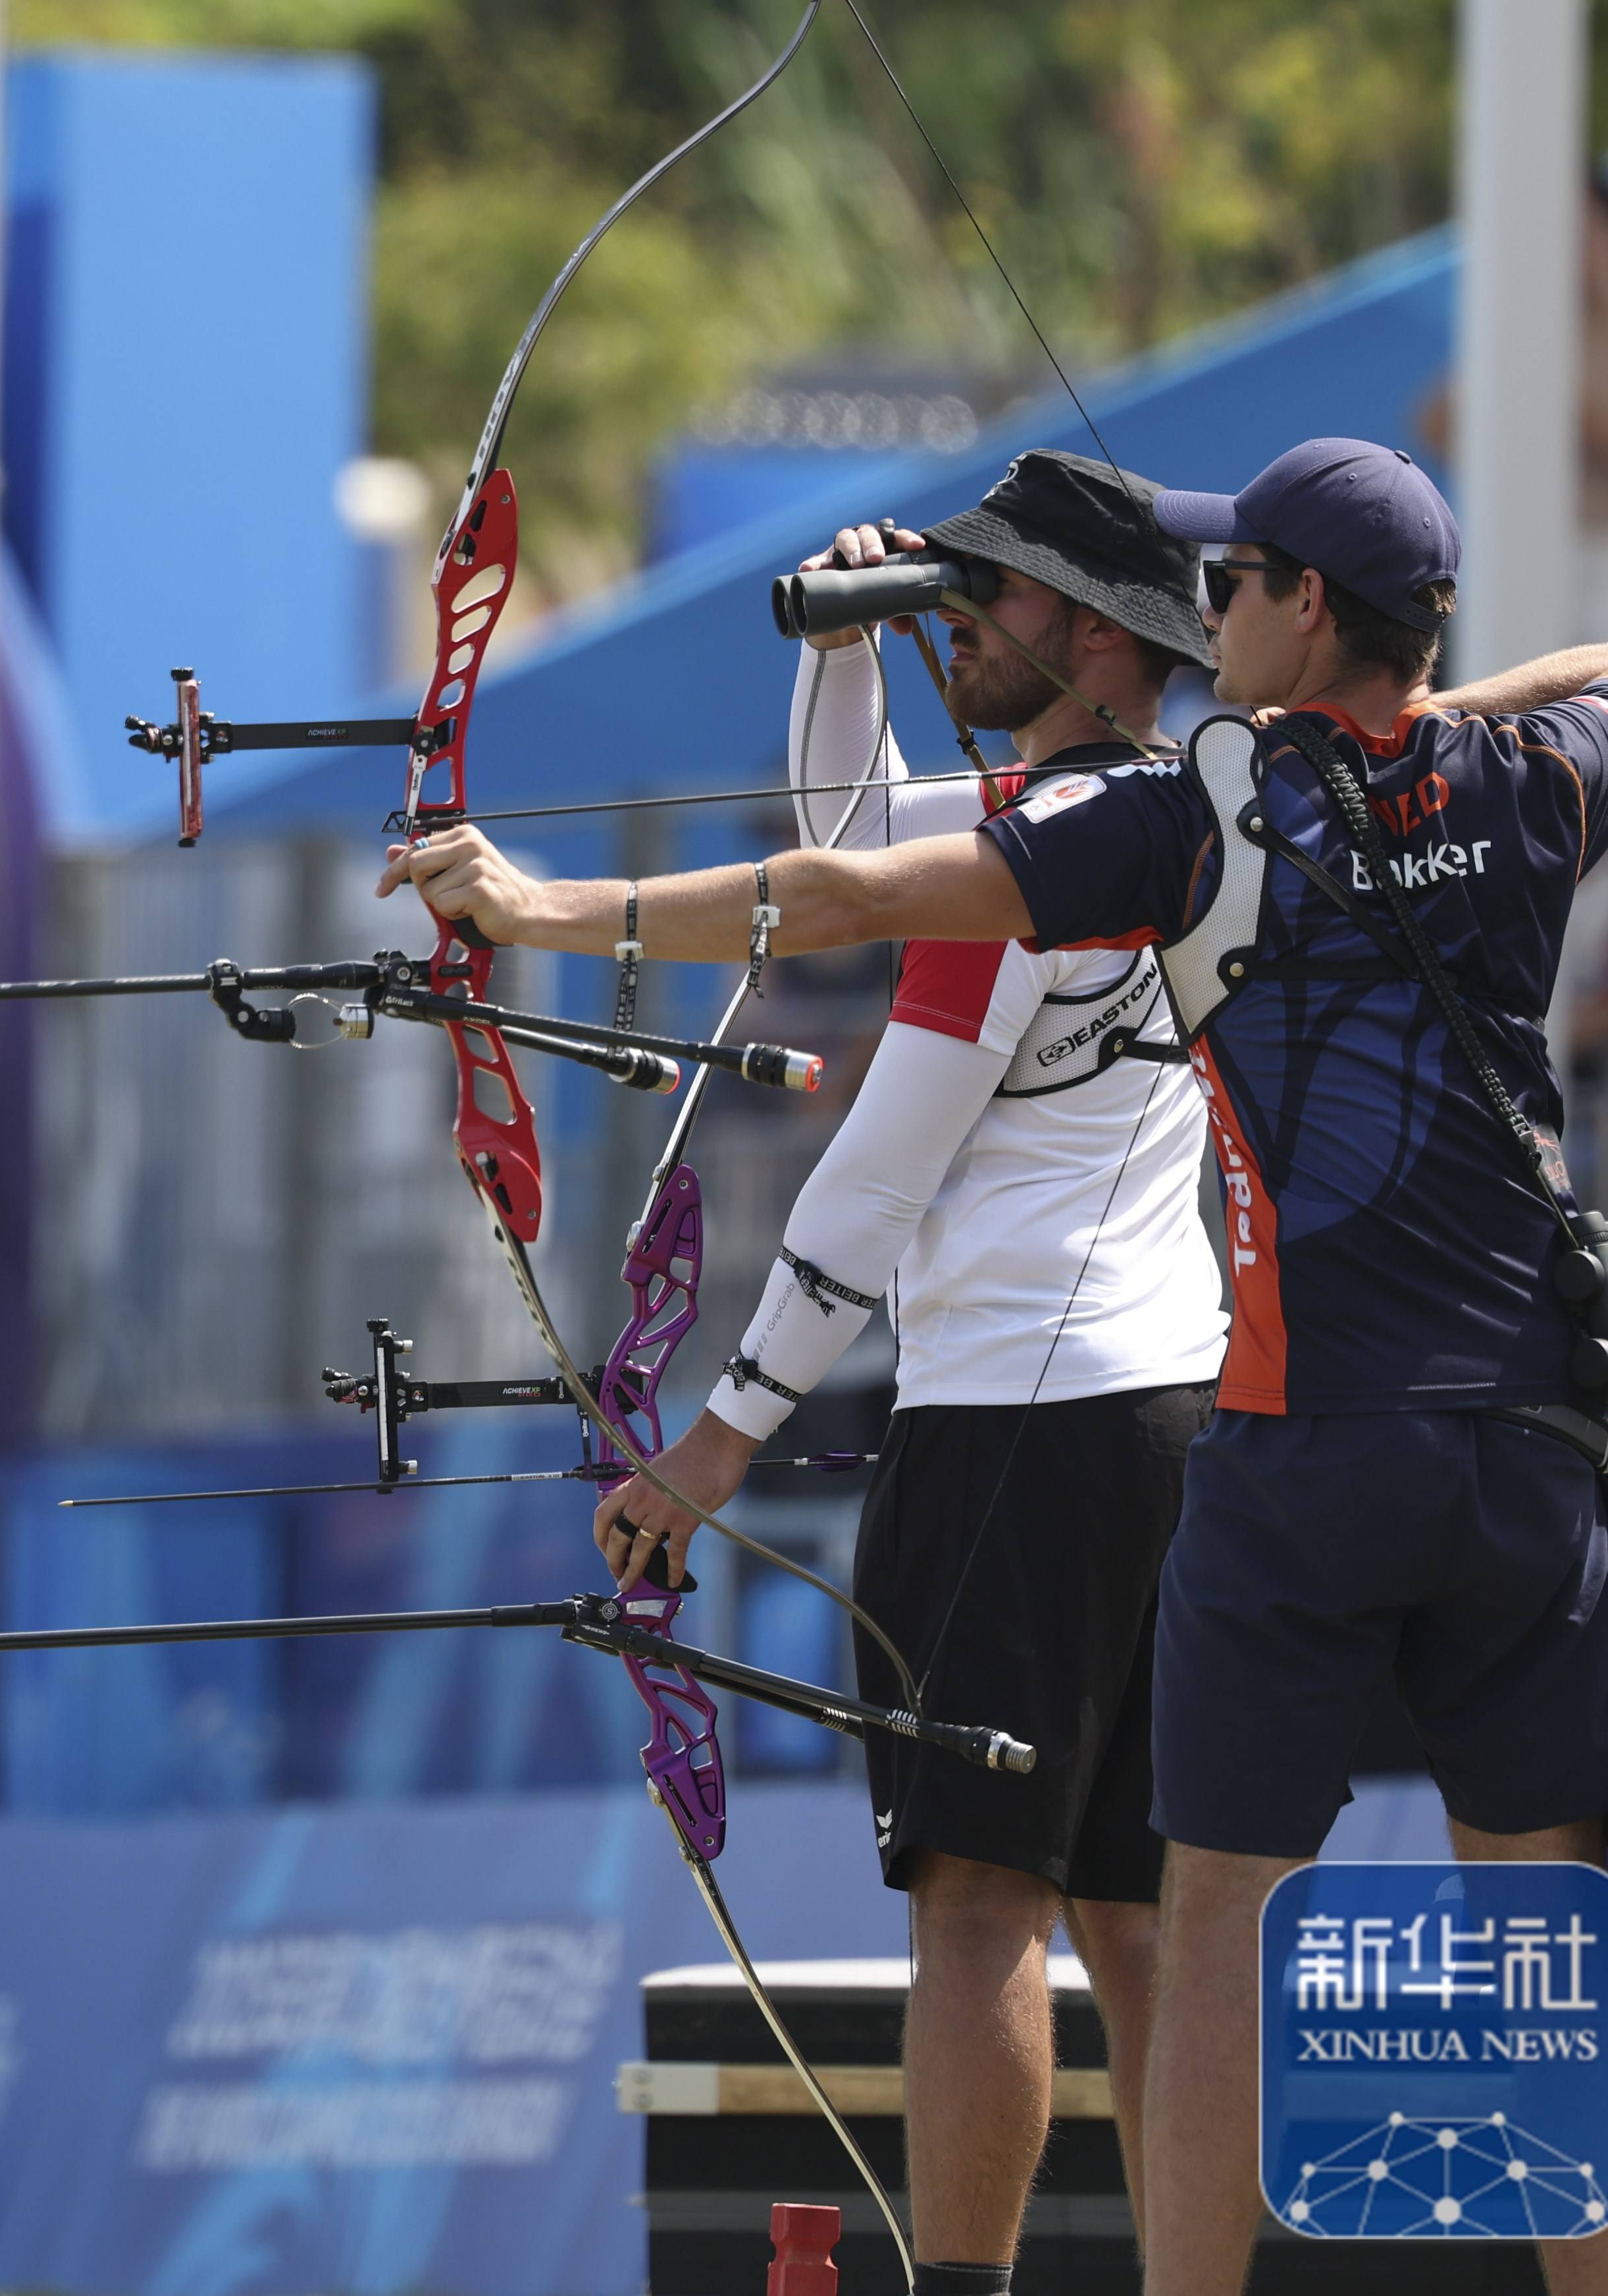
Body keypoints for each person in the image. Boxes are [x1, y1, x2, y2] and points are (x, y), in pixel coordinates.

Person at [384, 436, 1608, 2296]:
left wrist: (536, 910)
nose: (1208, 614)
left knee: (1202, 1920)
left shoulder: (1180, 826)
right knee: (1540, 1935)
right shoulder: (1524, 782)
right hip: (1516, 1447)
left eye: (1235, 589)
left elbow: (844, 903)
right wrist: (1405, 725)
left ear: (1307, 611)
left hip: (1287, 1448)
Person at [596, 451, 1224, 2295]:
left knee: (974, 1913)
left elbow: (878, 1161)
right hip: (1174, 1414)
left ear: (1104, 635)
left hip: (1012, 1430)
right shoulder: (1170, 818)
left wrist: (716, 1440)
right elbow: (855, 852)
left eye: (996, 597)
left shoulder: (1033, 863)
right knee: (1143, 1918)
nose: (959, 617)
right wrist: (847, 654)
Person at [1422, 172, 1608, 1069]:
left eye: (1585, 232)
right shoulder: (1522, 335)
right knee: (1514, 757)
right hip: (1528, 564)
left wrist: (1602, 434)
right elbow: (1435, 418)